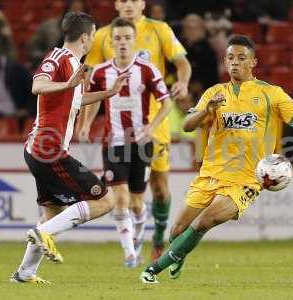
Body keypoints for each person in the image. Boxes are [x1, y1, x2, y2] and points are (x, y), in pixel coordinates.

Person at [140, 35, 293, 284]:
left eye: (241, 58)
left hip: (246, 179)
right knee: (177, 231)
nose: (234, 63)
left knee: (206, 220)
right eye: (230, 58)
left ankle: (153, 269)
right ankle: (178, 255)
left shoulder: (271, 94)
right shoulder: (215, 93)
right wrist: (207, 110)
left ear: (253, 62)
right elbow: (186, 125)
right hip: (210, 174)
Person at [10, 11, 129, 284]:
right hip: (47, 149)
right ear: (86, 36)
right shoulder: (58, 58)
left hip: (40, 149)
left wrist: (108, 93)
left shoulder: (73, 64)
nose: (94, 42)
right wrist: (68, 83)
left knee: (53, 211)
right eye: (94, 36)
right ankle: (44, 234)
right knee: (104, 200)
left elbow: (74, 96)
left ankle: (25, 273)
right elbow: (37, 86)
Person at [77, 0, 192, 261]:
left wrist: (183, 84)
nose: (129, 4)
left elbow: (182, 63)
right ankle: (133, 249)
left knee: (160, 188)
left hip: (154, 124)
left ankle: (159, 237)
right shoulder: (104, 35)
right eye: (123, 0)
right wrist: (83, 119)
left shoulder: (159, 29)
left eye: (134, 0)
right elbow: (92, 79)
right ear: (117, 4)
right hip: (117, 129)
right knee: (125, 195)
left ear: (143, 4)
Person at [86, 17, 171, 267]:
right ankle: (130, 255)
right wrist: (85, 124)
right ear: (111, 42)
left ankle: (139, 235)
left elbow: (166, 103)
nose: (122, 42)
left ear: (134, 41)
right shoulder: (101, 72)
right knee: (120, 199)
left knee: (136, 203)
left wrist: (152, 127)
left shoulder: (147, 69)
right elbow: (92, 99)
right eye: (118, 38)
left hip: (142, 143)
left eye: (127, 38)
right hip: (113, 143)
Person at [28, 0, 89, 69]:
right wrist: (44, 58)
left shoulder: (90, 31)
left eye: (80, 11)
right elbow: (34, 48)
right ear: (67, 10)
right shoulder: (48, 26)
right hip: (51, 66)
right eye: (74, 9)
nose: (77, 14)